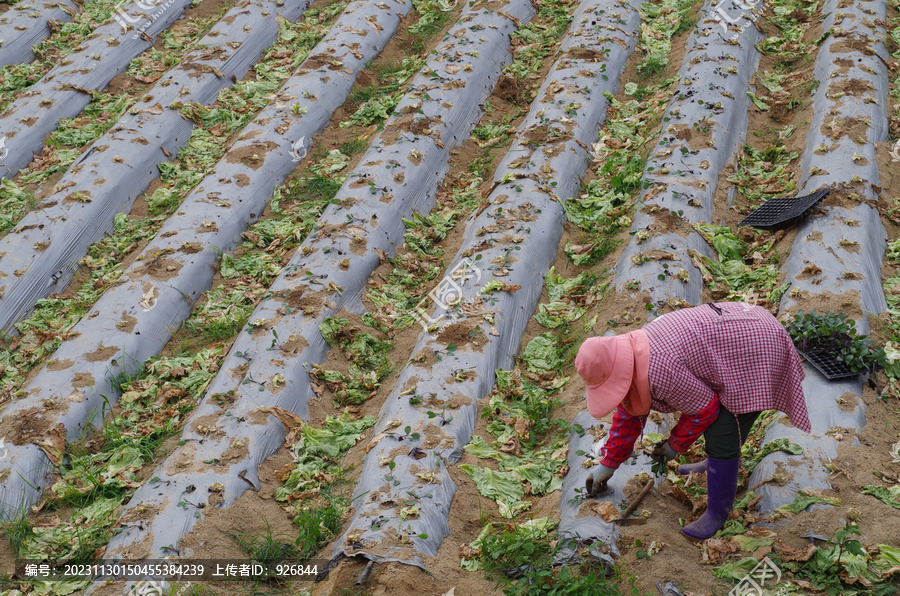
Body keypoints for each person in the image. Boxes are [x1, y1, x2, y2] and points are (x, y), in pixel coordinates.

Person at [574, 302, 810, 540]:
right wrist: (609, 462)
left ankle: (718, 510)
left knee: (722, 428)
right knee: (723, 423)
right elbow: (629, 411)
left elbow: (706, 409)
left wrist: (674, 445)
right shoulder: (632, 354)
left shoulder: (658, 368)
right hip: (740, 330)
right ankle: (716, 465)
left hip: (759, 347)